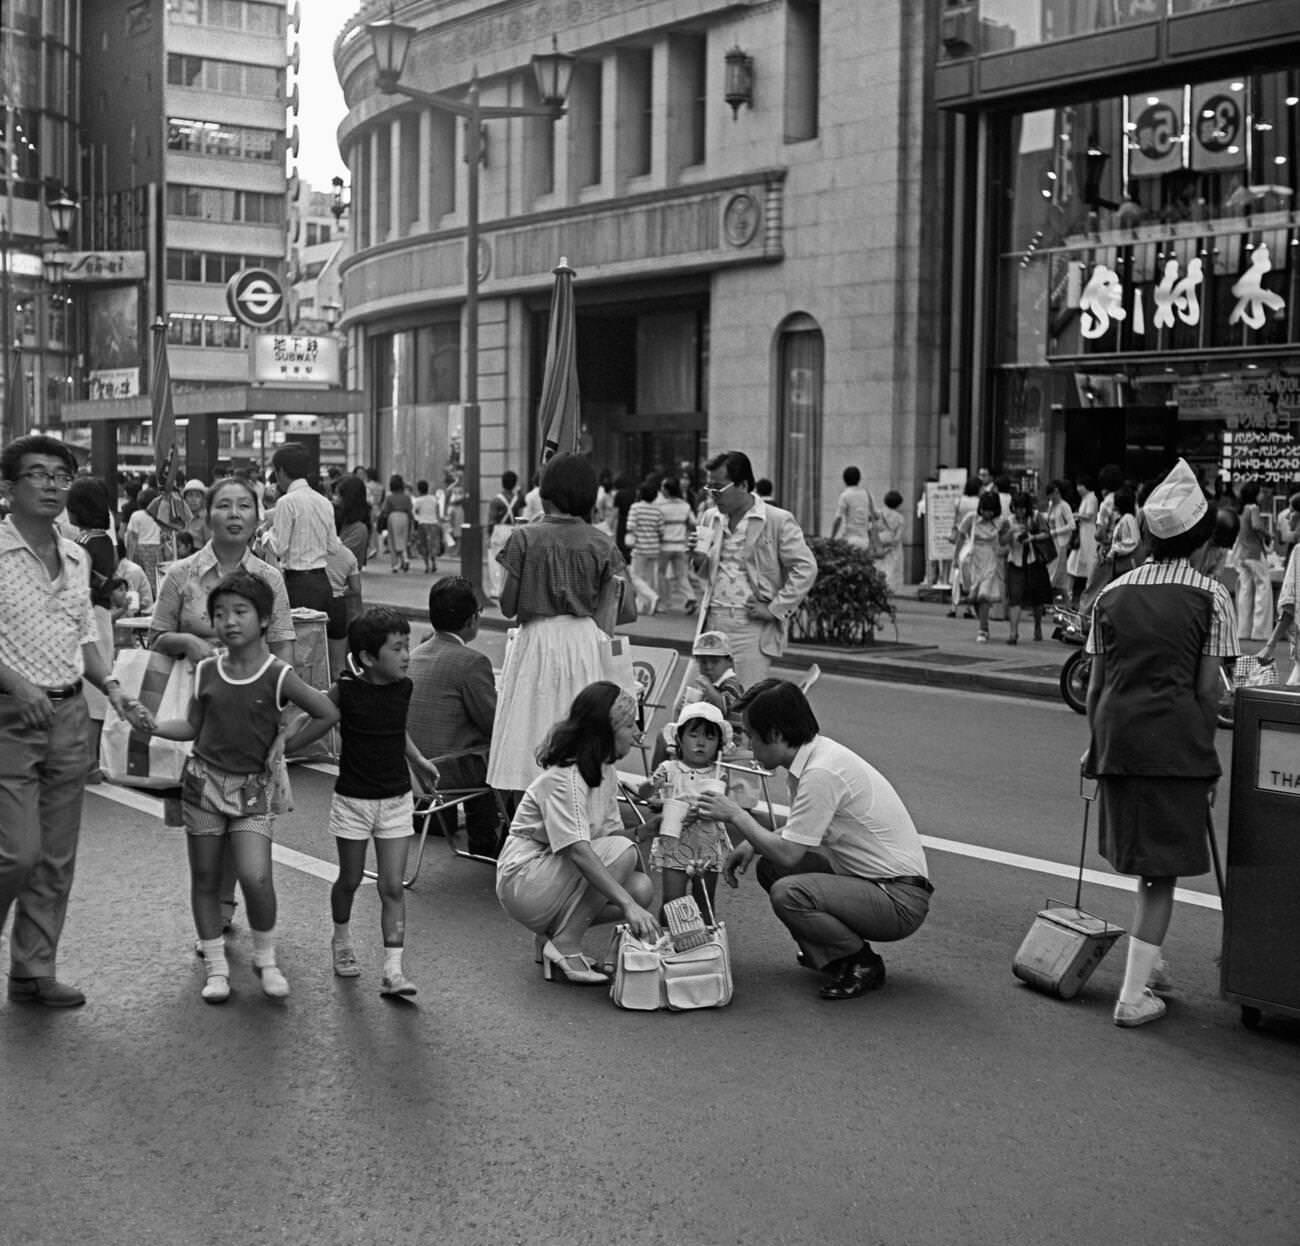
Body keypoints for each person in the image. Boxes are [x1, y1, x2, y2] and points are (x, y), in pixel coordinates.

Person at [1084, 459, 1238, 1027]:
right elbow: (1206, 693)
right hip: (1175, 744)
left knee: (1144, 862)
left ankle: (1151, 964)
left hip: (1118, 739)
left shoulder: (1113, 593)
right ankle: (1131, 996)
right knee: (1161, 872)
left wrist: (1093, 746)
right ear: (1201, 540)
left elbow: (1097, 685)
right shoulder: (1211, 597)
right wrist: (1208, 760)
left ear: (1149, 536)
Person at [0, 435, 151, 1008]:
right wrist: (17, 685)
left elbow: (83, 636)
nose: (51, 485)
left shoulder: (77, 556)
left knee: (57, 855)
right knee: (16, 852)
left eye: (60, 476)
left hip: (66, 714)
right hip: (10, 715)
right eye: (36, 474)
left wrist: (112, 690)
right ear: (9, 487)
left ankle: (33, 971)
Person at [141, 571, 339, 1003]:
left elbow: (325, 712)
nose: (228, 621)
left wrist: (283, 745)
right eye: (219, 614)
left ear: (265, 619)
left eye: (240, 612)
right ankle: (215, 967)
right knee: (206, 877)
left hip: (253, 790)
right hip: (203, 783)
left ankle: (265, 958)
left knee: (256, 876)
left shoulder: (278, 674)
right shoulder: (207, 670)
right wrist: (154, 725)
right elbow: (193, 726)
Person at [703, 680, 932, 1002]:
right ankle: (830, 955)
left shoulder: (821, 773)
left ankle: (861, 963)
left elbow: (790, 853)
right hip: (873, 883)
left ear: (778, 735)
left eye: (752, 735)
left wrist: (738, 817)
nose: (749, 745)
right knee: (770, 868)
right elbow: (801, 832)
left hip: (897, 899)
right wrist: (750, 843)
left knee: (789, 891)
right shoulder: (814, 760)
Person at [150, 476, 297, 936]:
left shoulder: (269, 579)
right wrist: (190, 642)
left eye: (244, 506)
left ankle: (226, 905)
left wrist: (282, 721)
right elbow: (156, 638)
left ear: (257, 517)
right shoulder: (182, 575)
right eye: (224, 506)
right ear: (205, 515)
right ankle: (214, 910)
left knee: (246, 819)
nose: (234, 514)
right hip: (199, 713)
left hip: (253, 716)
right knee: (208, 821)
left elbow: (283, 649)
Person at [495, 682, 658, 983]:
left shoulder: (604, 771)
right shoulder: (565, 779)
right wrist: (628, 906)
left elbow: (608, 839)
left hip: (550, 875)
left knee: (641, 887)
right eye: (630, 723)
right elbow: (581, 851)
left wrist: (648, 830)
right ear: (606, 731)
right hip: (524, 877)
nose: (636, 732)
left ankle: (551, 938)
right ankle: (566, 943)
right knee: (627, 872)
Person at [487, 453, 630, 797]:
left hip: (536, 638)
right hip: (584, 639)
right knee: (582, 726)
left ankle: (529, 813)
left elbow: (507, 606)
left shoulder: (523, 538)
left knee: (529, 724)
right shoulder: (601, 543)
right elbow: (618, 612)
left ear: (546, 491)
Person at [326, 608, 439, 997]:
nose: (407, 654)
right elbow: (316, 719)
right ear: (369, 658)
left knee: (392, 886)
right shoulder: (346, 690)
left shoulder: (403, 688)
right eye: (397, 648)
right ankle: (341, 939)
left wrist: (418, 759)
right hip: (353, 801)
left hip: (395, 799)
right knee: (351, 879)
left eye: (407, 645)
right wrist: (279, 747)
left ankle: (393, 971)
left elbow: (396, 730)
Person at [691, 451, 817, 688]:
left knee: (744, 702)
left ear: (743, 485)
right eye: (709, 489)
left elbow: (805, 568)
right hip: (712, 619)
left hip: (749, 624)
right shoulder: (710, 517)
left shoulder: (775, 519)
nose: (713, 495)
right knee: (694, 702)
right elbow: (705, 572)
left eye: (718, 488)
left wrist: (775, 608)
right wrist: (698, 559)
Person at [408, 577, 502, 858]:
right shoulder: (472, 662)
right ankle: (486, 842)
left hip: (410, 766)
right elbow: (494, 723)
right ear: (472, 619)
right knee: (497, 757)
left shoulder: (415, 654)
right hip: (444, 770)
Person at [643, 702, 733, 919]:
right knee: (672, 903)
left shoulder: (719, 774)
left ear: (719, 745)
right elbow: (646, 795)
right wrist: (654, 793)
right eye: (694, 735)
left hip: (707, 844)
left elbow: (723, 808)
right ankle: (668, 946)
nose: (701, 742)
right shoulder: (668, 769)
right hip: (675, 840)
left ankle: (705, 948)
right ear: (679, 739)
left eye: (710, 738)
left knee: (704, 903)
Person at [65, 477, 119, 775]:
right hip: (103, 617)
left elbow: (75, 589)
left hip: (86, 621)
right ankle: (94, 760)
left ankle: (86, 761)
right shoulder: (106, 541)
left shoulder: (81, 545)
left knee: (87, 690)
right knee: (99, 691)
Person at [271, 443, 341, 612]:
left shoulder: (286, 502)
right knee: (318, 636)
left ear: (280, 471)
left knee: (299, 635)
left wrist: (264, 534)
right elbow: (333, 547)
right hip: (323, 582)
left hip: (297, 583)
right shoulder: (324, 502)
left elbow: (279, 547)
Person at [956, 489, 1010, 643]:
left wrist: (1009, 531)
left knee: (984, 595)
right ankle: (983, 622)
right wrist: (955, 558)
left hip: (991, 559)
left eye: (991, 511)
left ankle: (983, 629)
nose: (987, 514)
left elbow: (1004, 542)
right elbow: (960, 536)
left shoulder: (1000, 522)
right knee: (973, 597)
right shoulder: (971, 518)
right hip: (972, 560)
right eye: (985, 510)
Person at [1005, 491, 1053, 644]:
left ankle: (1037, 626)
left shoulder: (1036, 517)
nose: (1019, 511)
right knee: (1015, 598)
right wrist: (1011, 532)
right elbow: (1002, 540)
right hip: (1015, 562)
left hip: (1033, 562)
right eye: (1016, 508)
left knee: (1036, 599)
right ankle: (1013, 633)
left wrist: (1032, 537)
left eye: (1022, 508)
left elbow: (1047, 534)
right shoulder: (1009, 520)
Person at [1233, 480, 1274, 642]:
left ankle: (1243, 630)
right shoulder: (1254, 508)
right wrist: (1268, 534)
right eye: (1261, 492)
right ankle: (1260, 632)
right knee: (1263, 591)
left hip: (1242, 555)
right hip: (1255, 554)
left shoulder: (1241, 510)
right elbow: (1257, 526)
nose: (1263, 495)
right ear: (1254, 494)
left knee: (1245, 592)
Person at [656, 474, 696, 612]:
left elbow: (657, 526)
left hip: (665, 546)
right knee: (682, 575)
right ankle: (690, 596)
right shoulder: (685, 505)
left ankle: (665, 603)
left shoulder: (660, 506)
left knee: (661, 574)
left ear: (667, 490)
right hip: (680, 545)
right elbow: (693, 523)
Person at [625, 479, 663, 615]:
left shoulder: (635, 508)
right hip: (654, 548)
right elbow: (661, 530)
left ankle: (652, 596)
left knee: (634, 577)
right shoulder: (658, 510)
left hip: (640, 548)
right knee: (646, 578)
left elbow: (630, 526)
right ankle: (641, 606)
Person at [947, 476, 982, 619]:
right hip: (973, 541)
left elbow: (955, 521)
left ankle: (953, 607)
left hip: (961, 540)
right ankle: (970, 607)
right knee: (972, 577)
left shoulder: (959, 502)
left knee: (956, 575)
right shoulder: (980, 503)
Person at [485, 471, 522, 600]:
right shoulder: (518, 500)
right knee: (510, 561)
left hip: (499, 530)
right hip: (513, 529)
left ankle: (497, 590)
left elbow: (491, 520)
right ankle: (507, 589)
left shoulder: (496, 500)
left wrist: (489, 536)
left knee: (495, 560)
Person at [1067, 474, 1098, 607]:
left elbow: (1089, 515)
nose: (1078, 488)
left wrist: (1076, 515)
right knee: (1073, 565)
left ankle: (1085, 598)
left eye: (1080, 485)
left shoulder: (1091, 498)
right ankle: (1069, 596)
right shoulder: (1086, 498)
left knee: (1089, 564)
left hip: (1088, 533)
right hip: (1082, 533)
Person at [830, 465, 876, 548]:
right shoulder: (867, 494)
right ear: (859, 479)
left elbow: (838, 518)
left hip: (849, 540)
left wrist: (832, 538)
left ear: (844, 479)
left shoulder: (845, 495)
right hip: (865, 541)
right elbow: (873, 516)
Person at [1045, 479, 1076, 600]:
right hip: (1051, 542)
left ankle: (1046, 600)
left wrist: (1055, 532)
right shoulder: (1051, 505)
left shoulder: (1064, 506)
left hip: (1060, 543)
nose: (1050, 498)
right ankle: (1064, 600)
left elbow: (1072, 525)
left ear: (1056, 492)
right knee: (1055, 573)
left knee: (1054, 572)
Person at [334, 473, 372, 570]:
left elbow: (340, 558)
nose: (336, 499)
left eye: (339, 496)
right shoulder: (340, 519)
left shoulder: (359, 529)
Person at [873, 489, 906, 592]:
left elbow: (872, 529)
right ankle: (887, 590)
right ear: (898, 504)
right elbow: (897, 537)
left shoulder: (878, 513)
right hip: (892, 546)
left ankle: (876, 588)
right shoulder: (900, 518)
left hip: (878, 542)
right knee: (890, 570)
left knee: (877, 567)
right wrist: (891, 546)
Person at [380, 474, 413, 573]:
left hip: (393, 516)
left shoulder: (389, 497)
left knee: (393, 540)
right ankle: (405, 558)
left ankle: (395, 565)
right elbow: (410, 510)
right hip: (405, 517)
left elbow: (385, 510)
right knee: (403, 539)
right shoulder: (407, 497)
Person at [412, 479, 442, 574]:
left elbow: (414, 512)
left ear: (419, 490)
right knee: (432, 545)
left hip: (422, 524)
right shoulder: (434, 499)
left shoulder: (418, 501)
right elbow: (437, 511)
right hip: (433, 523)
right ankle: (434, 563)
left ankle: (427, 566)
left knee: (423, 545)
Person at [182, 478, 209, 549]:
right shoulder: (180, 517)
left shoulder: (207, 519)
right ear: (185, 498)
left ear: (202, 499)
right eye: (190, 495)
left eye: (197, 496)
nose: (193, 499)